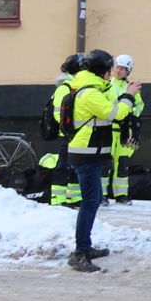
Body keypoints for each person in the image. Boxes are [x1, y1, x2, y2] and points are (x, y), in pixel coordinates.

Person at [62, 49, 118, 272]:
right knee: (89, 202)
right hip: (86, 155)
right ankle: (80, 252)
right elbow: (114, 113)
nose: (110, 74)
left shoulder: (91, 89)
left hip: (89, 154)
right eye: (108, 70)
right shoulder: (90, 93)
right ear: (100, 70)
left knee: (92, 201)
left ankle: (85, 246)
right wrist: (128, 96)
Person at [39, 54, 82, 208]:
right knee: (63, 166)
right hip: (68, 134)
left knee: (75, 166)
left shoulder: (75, 86)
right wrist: (70, 129)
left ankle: (73, 198)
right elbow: (60, 114)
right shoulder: (65, 88)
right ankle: (58, 199)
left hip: (76, 134)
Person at [107, 55, 143, 204]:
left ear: (128, 71)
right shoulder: (107, 85)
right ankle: (102, 195)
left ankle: (121, 195)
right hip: (109, 129)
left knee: (122, 164)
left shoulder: (131, 87)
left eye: (122, 69)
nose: (118, 71)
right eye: (117, 68)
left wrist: (131, 116)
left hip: (124, 131)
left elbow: (139, 106)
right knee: (105, 164)